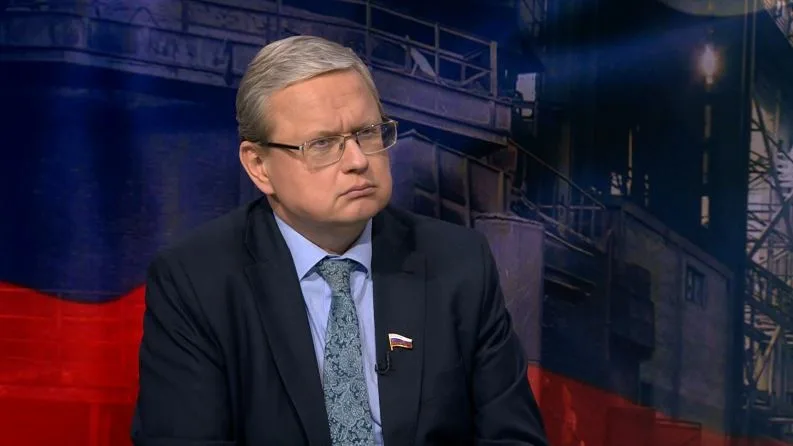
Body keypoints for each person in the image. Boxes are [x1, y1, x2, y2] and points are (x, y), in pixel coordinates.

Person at [131, 35, 548, 446]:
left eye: (368, 133)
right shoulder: (195, 282)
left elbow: (514, 437)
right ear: (259, 166)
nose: (358, 160)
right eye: (323, 144)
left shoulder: (459, 262)